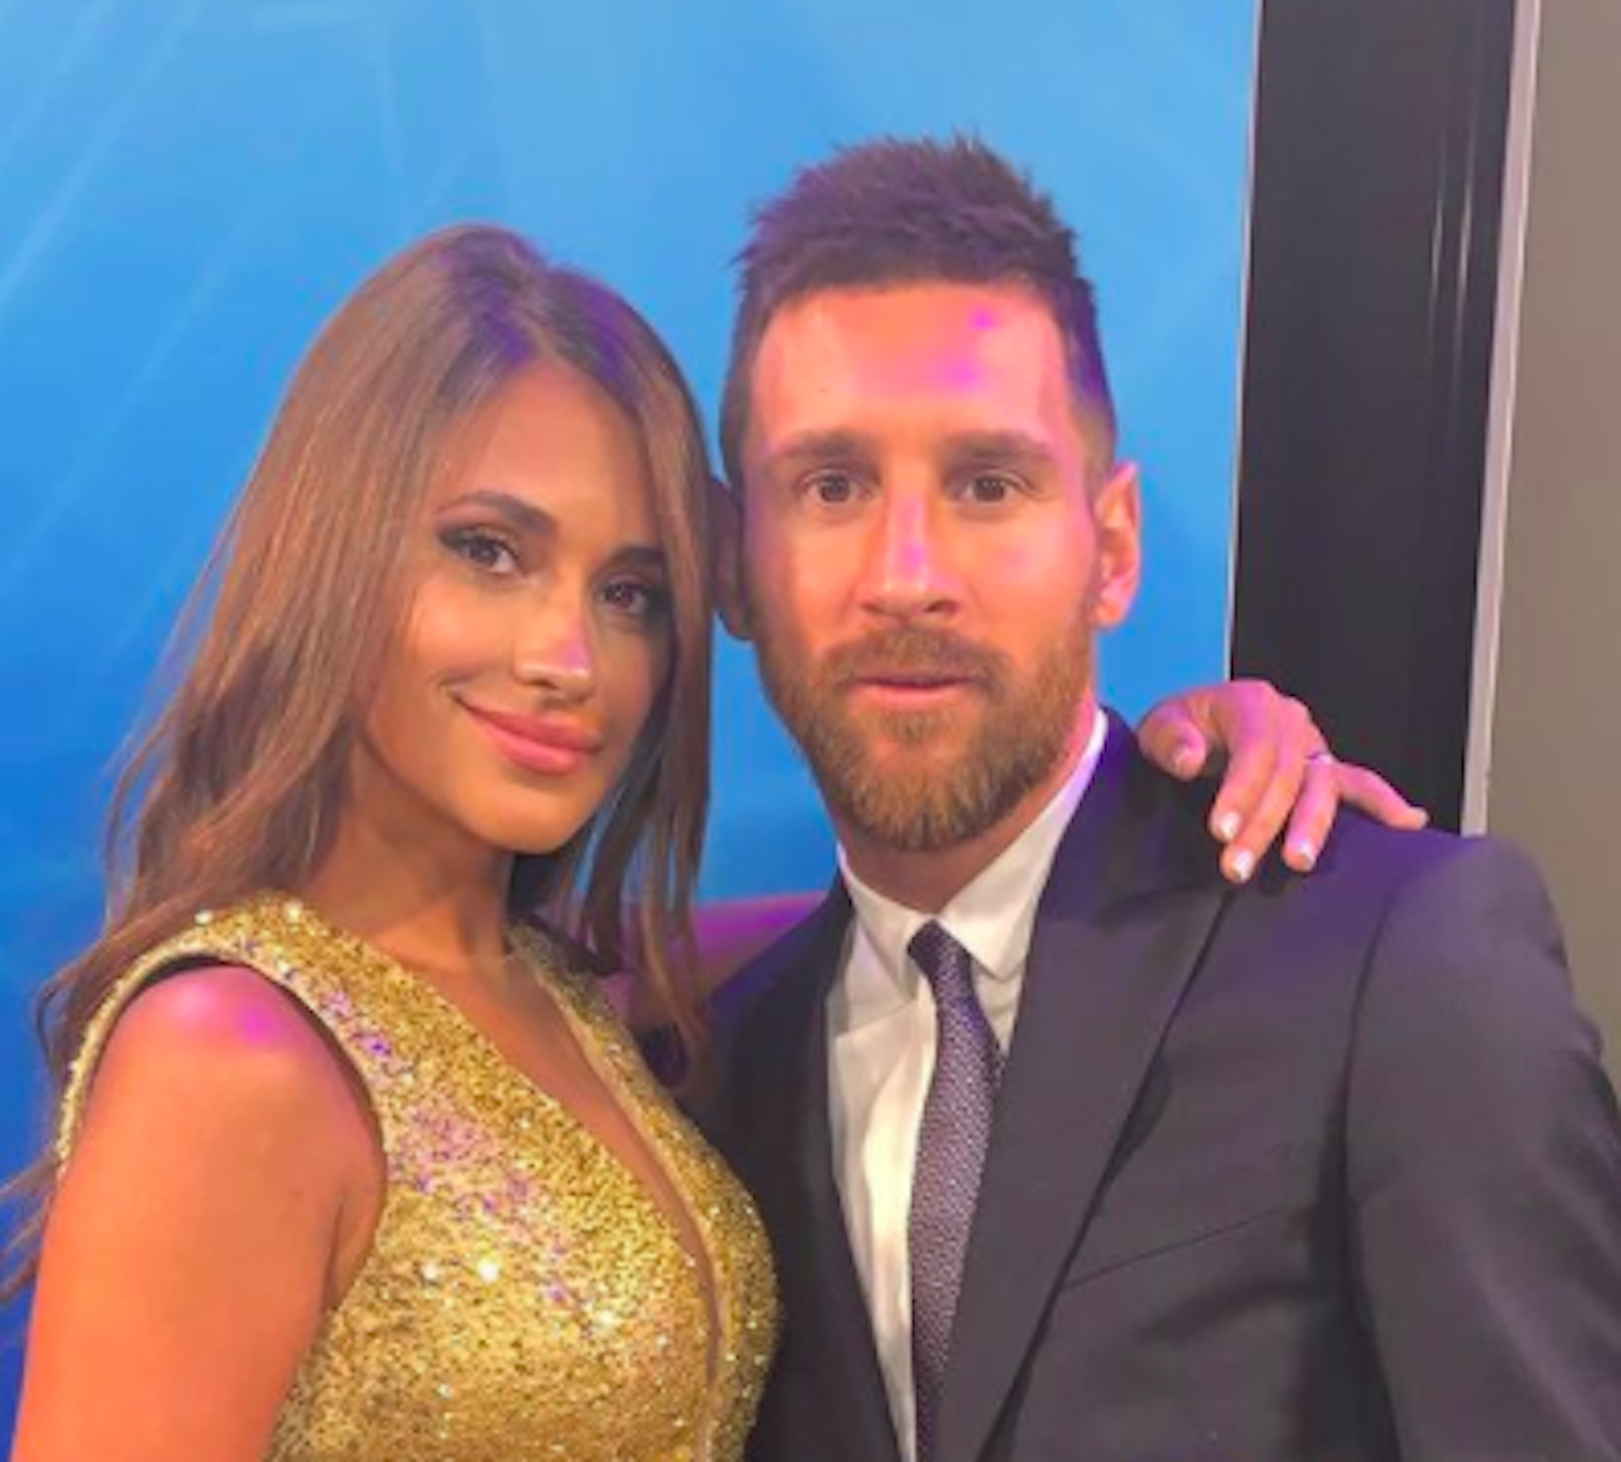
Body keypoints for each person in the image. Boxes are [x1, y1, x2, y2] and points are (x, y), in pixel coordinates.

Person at [4, 222, 1404, 1462]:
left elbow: (943, 923)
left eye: (629, 592)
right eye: (489, 550)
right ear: (335, 549)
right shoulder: (230, 1057)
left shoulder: (595, 996)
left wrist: (1167, 787)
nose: (565, 658)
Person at [709, 137, 1621, 1462]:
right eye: (831, 486)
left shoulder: (1397, 956)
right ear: (735, 562)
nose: (907, 575)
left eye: (988, 483)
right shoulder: (719, 1074)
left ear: (1114, 548)